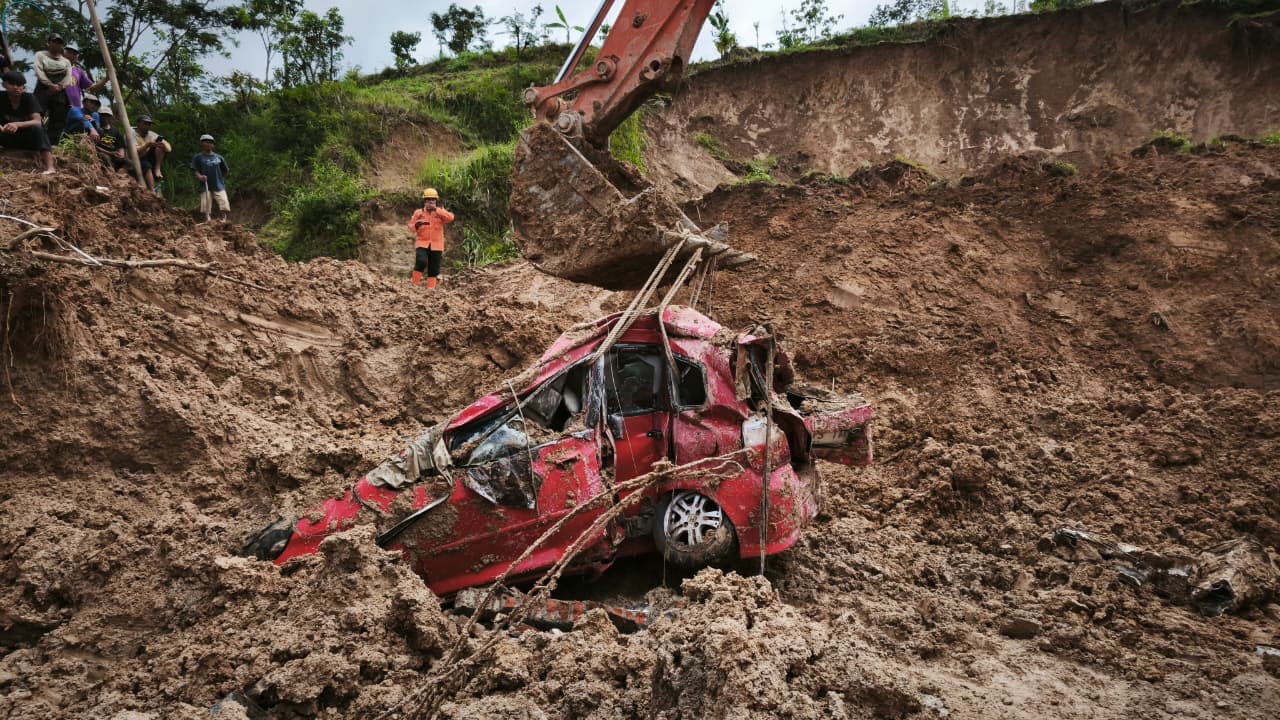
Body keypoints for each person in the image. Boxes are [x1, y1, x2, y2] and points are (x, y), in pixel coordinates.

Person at [0, 71, 55, 174]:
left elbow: (37, 121)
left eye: (19, 85)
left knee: (38, 129)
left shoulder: (29, 98)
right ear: (4, 85)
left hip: (29, 139)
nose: (16, 87)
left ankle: (50, 167)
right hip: (8, 137)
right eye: (12, 84)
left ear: (24, 87)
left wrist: (17, 124)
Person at [406, 188, 455, 288]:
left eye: (433, 199)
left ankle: (430, 291)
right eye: (428, 199)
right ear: (424, 201)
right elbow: (411, 227)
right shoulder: (418, 213)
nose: (431, 201)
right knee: (421, 261)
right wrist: (416, 225)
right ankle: (413, 286)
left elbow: (450, 218)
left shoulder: (440, 212)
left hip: (437, 245)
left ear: (436, 200)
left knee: (434, 268)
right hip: (422, 243)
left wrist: (437, 210)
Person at [32, 34, 73, 143]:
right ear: (49, 43)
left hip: (59, 92)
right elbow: (39, 71)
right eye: (54, 41)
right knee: (37, 114)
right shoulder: (40, 55)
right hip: (43, 89)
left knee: (58, 119)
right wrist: (49, 84)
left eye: (59, 42)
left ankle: (52, 144)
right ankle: (35, 141)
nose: (57, 44)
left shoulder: (66, 61)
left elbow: (68, 77)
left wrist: (59, 87)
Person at [192, 133, 230, 223]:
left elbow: (225, 170)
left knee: (223, 201)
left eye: (210, 142)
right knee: (206, 203)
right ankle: (208, 219)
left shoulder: (219, 157)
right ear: (201, 144)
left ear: (213, 145)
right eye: (206, 142)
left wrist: (219, 177)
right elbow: (195, 170)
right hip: (205, 184)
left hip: (218, 184)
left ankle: (223, 219)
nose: (208, 144)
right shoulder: (198, 157)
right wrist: (200, 176)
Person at [131, 115, 168, 189]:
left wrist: (163, 145)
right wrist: (147, 145)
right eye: (145, 123)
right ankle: (152, 190)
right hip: (135, 158)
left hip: (148, 157)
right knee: (146, 165)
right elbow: (134, 150)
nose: (147, 126)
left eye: (149, 124)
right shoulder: (131, 133)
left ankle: (157, 168)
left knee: (160, 146)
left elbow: (169, 148)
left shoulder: (150, 134)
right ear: (138, 123)